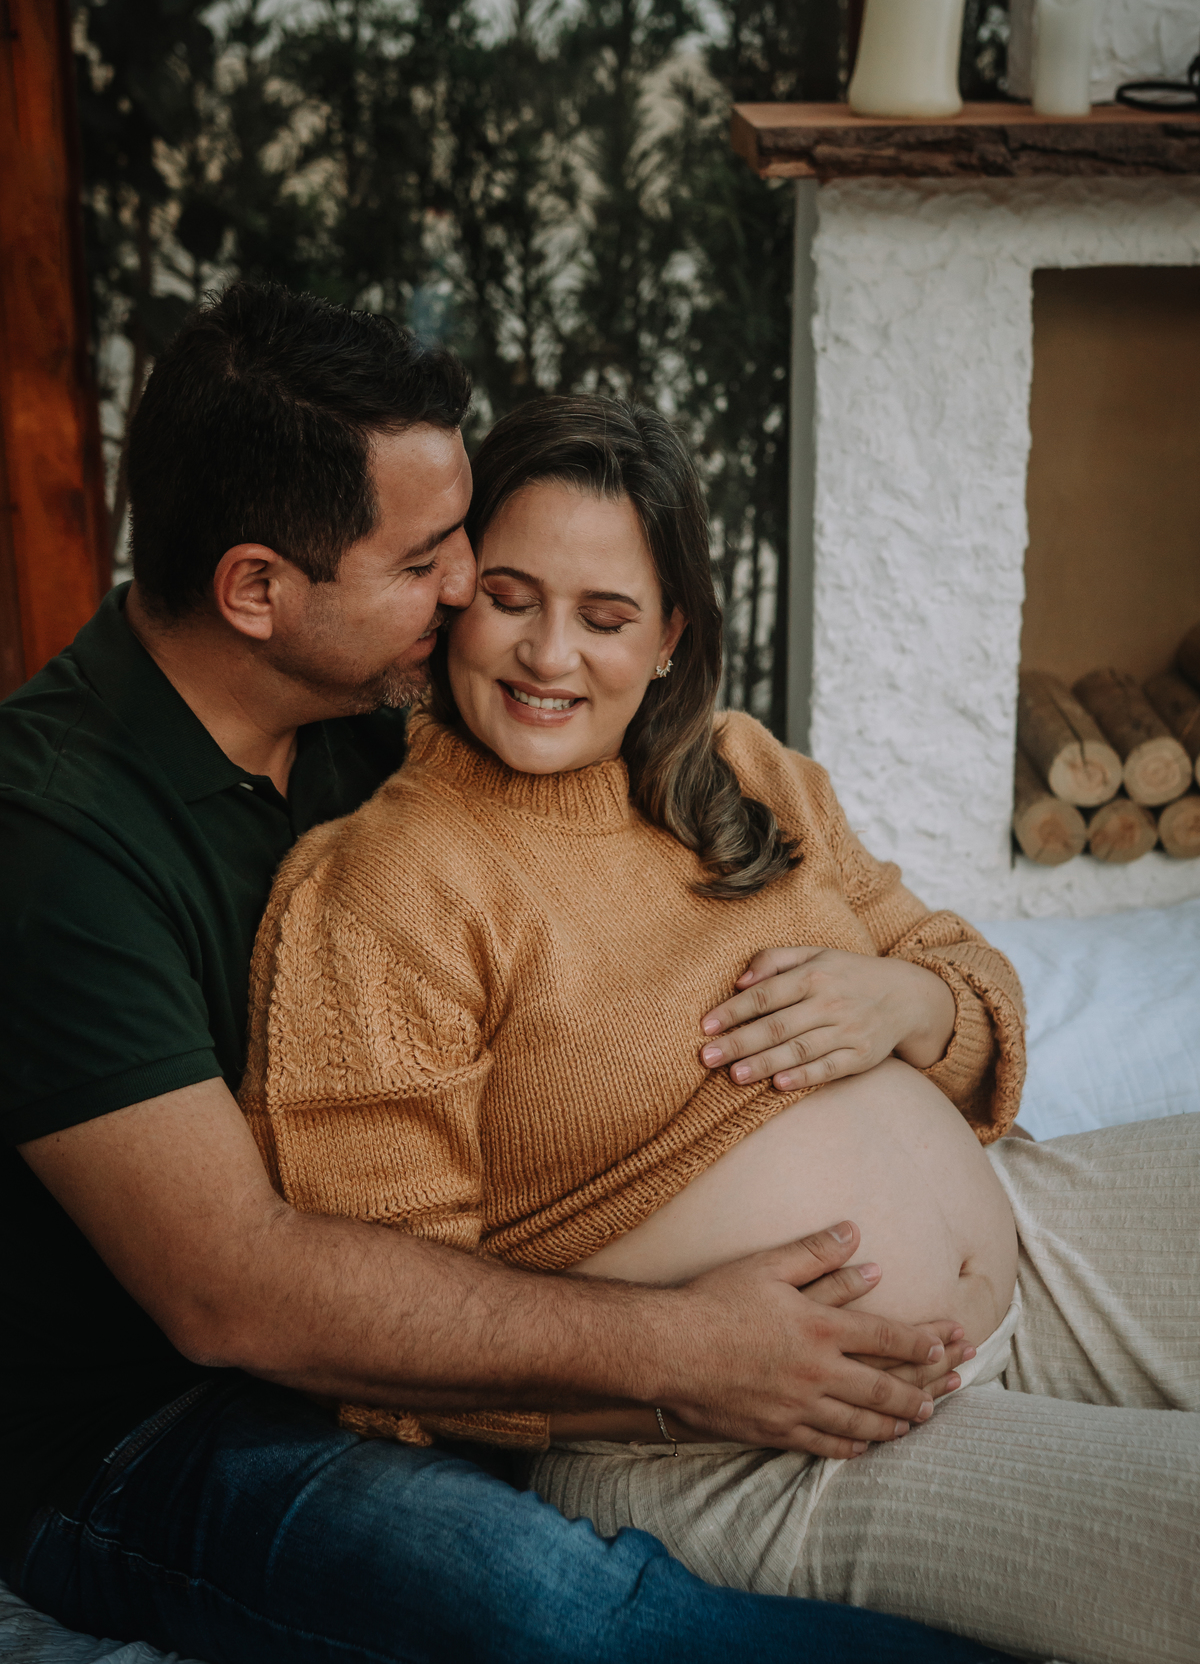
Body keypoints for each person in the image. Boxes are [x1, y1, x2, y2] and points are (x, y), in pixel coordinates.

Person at [0, 282, 1019, 1664]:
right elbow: (233, 1285)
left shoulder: (373, 704)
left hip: (444, 1336)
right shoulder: (52, 838)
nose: (467, 589)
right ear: (257, 590)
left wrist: (900, 1006)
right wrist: (684, 1348)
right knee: (555, 1607)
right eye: (427, 559)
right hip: (146, 1429)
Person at [244, 391, 1200, 1664]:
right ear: (456, 596)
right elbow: (382, 1321)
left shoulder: (743, 770)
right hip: (733, 1437)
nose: (549, 654)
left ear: (669, 633)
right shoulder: (385, 883)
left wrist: (910, 1002)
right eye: (512, 598)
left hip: (1034, 1243)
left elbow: (969, 972)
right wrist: (682, 1368)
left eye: (605, 616)